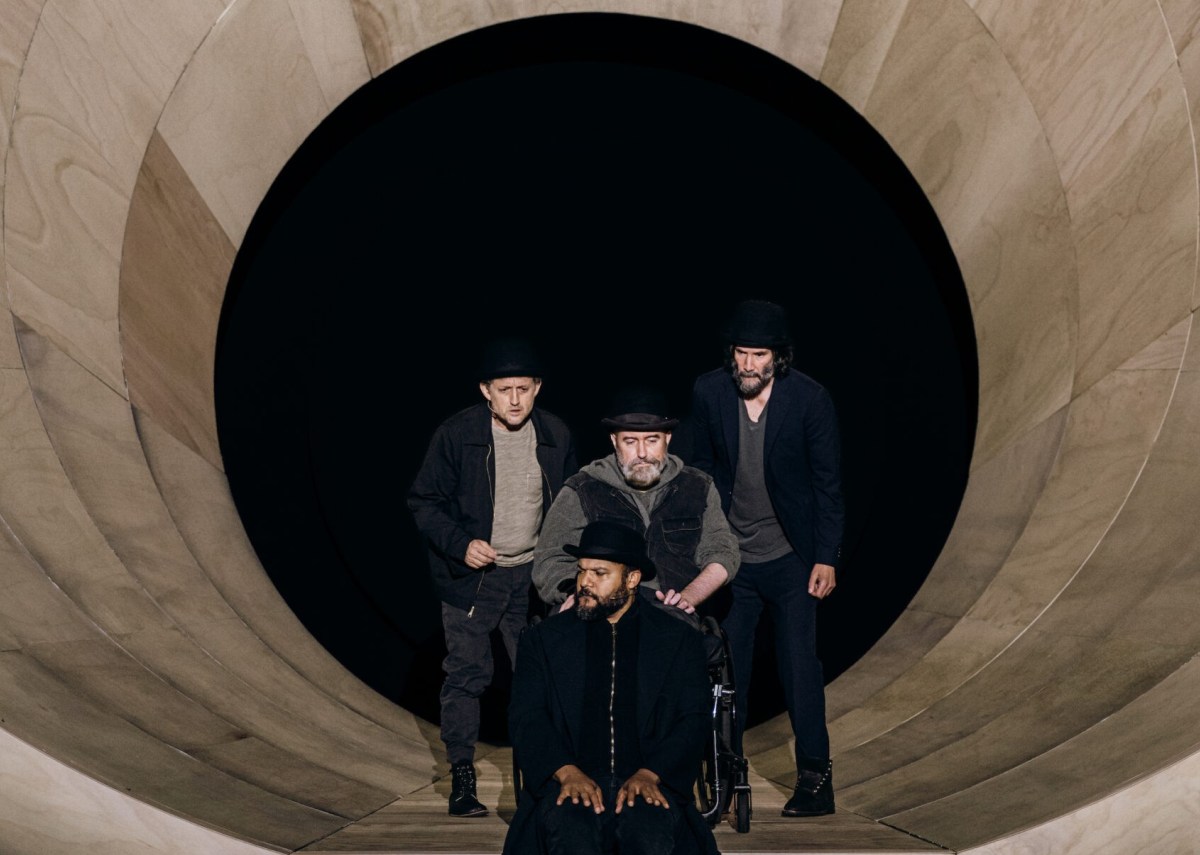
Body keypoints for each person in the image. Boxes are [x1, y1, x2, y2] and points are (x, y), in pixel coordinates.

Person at [407, 337, 577, 817]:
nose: (516, 400)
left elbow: (569, 507)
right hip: (473, 579)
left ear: (538, 387)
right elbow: (424, 502)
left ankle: (539, 777)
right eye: (505, 390)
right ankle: (463, 777)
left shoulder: (556, 435)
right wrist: (461, 544)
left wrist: (560, 568)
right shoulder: (457, 435)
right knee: (467, 675)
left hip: (530, 578)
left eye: (524, 388)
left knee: (537, 679)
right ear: (486, 390)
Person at [687, 299, 844, 817]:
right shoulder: (710, 391)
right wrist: (706, 549)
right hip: (732, 560)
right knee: (731, 675)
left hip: (791, 557)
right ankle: (726, 778)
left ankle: (815, 783)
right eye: (741, 353)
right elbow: (702, 471)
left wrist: (826, 557)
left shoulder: (809, 400)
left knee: (800, 669)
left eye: (759, 355)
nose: (748, 364)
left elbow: (827, 485)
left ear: (779, 357)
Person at [504, 521, 720, 855]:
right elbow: (527, 716)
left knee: (647, 833)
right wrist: (565, 770)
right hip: (568, 783)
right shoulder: (544, 641)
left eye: (599, 573)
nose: (584, 583)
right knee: (572, 833)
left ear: (632, 579)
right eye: (582, 571)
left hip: (651, 784)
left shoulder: (677, 640)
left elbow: (693, 719)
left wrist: (652, 773)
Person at [532, 386, 739, 621]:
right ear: (614, 440)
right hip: (602, 616)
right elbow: (549, 559)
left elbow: (722, 553)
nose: (642, 453)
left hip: (676, 619)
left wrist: (688, 598)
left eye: (652, 440)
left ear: (668, 438)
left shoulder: (698, 487)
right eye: (630, 441)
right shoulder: (582, 488)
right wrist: (578, 594)